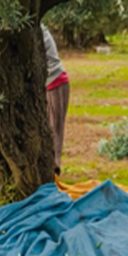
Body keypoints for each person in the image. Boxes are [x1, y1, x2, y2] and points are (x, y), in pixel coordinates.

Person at [42, 24, 70, 174]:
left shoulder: (36, 29)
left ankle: (54, 170)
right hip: (48, 84)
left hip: (56, 82)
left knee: (54, 130)